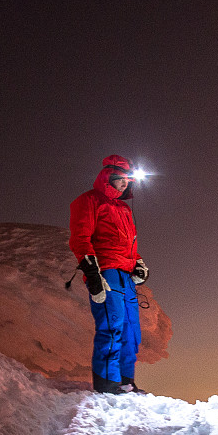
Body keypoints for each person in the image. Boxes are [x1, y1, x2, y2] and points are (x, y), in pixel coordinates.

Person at [69, 155, 150, 394]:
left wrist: (138, 263)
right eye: (120, 178)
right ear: (108, 177)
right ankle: (108, 383)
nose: (125, 183)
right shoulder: (89, 201)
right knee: (112, 325)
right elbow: (80, 238)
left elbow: (129, 243)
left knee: (130, 329)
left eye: (128, 179)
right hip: (107, 271)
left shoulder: (123, 208)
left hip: (125, 275)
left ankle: (126, 380)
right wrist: (93, 274)